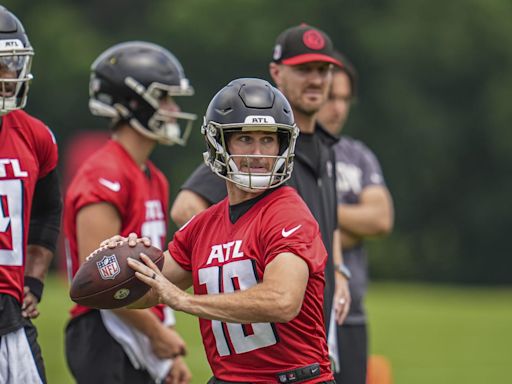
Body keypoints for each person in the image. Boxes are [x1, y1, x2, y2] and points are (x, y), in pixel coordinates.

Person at [107, 78, 336, 383]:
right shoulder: (203, 226)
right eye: (245, 139)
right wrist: (118, 268)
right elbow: (149, 291)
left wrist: (185, 301)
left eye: (268, 140)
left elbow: (282, 300)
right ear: (219, 142)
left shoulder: (287, 213)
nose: (258, 153)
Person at [171, 24, 351, 337]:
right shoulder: (249, 148)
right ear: (276, 72)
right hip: (267, 323)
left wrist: (337, 268)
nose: (316, 79)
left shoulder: (326, 145)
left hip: (316, 320)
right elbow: (187, 207)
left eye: (323, 70)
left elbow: (327, 223)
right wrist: (237, 258)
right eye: (304, 69)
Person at [64, 41, 195, 384]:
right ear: (134, 102)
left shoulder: (154, 176)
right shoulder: (104, 174)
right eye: (164, 97)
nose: (171, 109)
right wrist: (156, 335)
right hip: (104, 331)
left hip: (138, 322)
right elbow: (102, 279)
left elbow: (153, 271)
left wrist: (161, 346)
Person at [316, 51, 394, 384]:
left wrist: (319, 211)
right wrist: (349, 224)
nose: (339, 109)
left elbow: (381, 219)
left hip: (352, 314)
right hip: (305, 314)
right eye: (331, 97)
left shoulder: (357, 155)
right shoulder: (284, 149)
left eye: (346, 99)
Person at [0, 7, 62, 383]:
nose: (8, 76)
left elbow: (46, 211)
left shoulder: (36, 136)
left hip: (10, 312)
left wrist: (34, 279)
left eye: (11, 63)